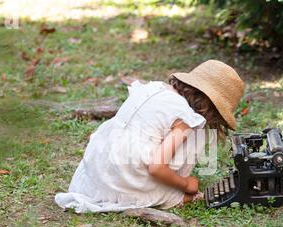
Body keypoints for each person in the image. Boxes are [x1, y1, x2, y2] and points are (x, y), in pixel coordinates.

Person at [55, 60, 245, 213]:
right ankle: (162, 192)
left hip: (100, 165)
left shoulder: (154, 89)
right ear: (211, 108)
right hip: (124, 175)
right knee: (182, 193)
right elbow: (156, 167)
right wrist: (186, 184)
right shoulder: (186, 117)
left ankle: (120, 187)